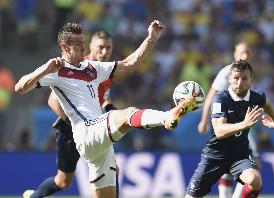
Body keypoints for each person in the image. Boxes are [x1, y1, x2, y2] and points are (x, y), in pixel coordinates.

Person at [15, 21, 197, 198]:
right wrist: (45, 69)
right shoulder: (55, 70)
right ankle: (167, 116)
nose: (82, 47)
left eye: (83, 43)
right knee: (128, 113)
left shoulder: (93, 67)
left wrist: (151, 38)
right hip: (85, 131)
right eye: (78, 44)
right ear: (65, 46)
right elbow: (20, 87)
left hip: (100, 140)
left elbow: (129, 64)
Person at [22, 30, 118, 198]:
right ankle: (34, 196)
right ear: (91, 47)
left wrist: (108, 105)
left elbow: (103, 95)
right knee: (63, 182)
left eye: (108, 48)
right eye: (100, 47)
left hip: (94, 129)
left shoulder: (105, 70)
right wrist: (74, 123)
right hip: (71, 129)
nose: (105, 52)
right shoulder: (79, 65)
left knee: (112, 170)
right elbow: (52, 100)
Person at [185, 60, 274, 198]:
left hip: (239, 155)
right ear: (229, 78)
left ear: (251, 80)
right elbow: (219, 131)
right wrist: (244, 124)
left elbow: (267, 102)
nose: (239, 82)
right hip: (215, 156)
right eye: (236, 78)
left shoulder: (255, 97)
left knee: (255, 179)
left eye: (244, 78)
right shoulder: (220, 98)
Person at [198, 42, 258, 198]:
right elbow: (211, 96)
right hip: (228, 123)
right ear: (234, 54)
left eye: (247, 53)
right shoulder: (227, 73)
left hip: (241, 123)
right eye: (241, 53)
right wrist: (204, 121)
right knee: (251, 161)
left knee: (236, 162)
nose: (244, 56)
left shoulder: (248, 73)